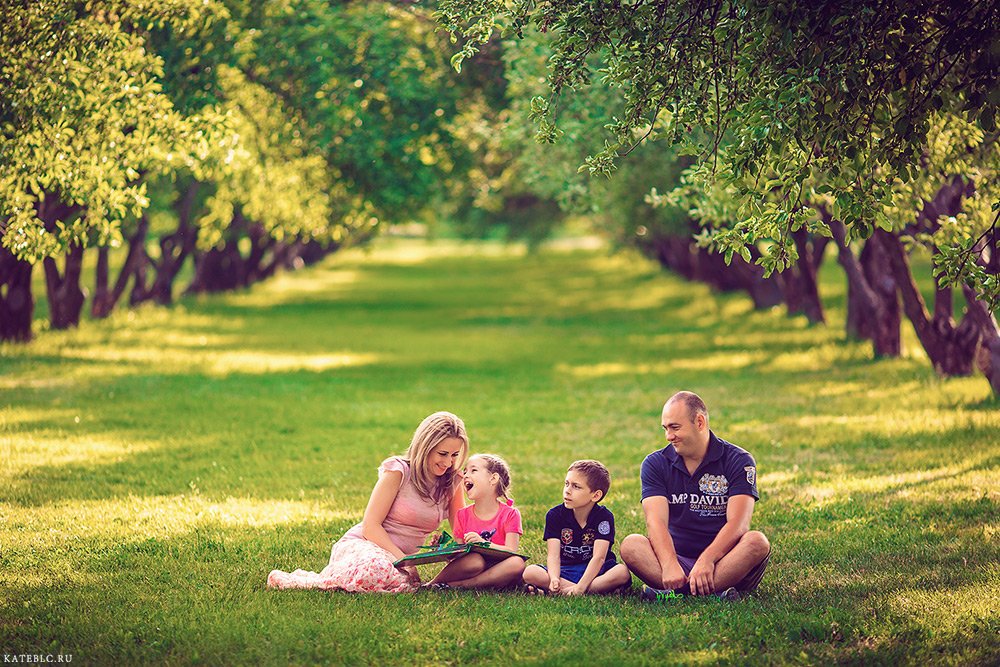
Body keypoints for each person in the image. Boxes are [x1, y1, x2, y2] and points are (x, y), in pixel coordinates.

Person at [266, 411, 468, 593]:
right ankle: (310, 582)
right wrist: (405, 561)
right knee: (376, 569)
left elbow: (462, 532)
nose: (448, 462)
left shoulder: (451, 482)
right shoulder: (398, 472)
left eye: (455, 455)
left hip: (396, 560)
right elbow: (371, 527)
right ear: (425, 447)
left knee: (390, 576)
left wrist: (447, 549)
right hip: (365, 545)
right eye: (442, 454)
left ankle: (391, 578)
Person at [621, 391, 771, 601]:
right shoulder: (655, 463)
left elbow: (739, 523)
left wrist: (708, 560)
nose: (668, 436)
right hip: (677, 559)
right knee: (631, 545)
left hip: (724, 561)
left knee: (757, 542)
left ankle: (673, 595)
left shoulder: (739, 460)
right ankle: (713, 594)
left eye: (675, 427)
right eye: (665, 428)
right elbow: (655, 521)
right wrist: (669, 564)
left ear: (699, 422)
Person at [522, 459, 631, 595]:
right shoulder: (555, 515)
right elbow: (553, 556)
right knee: (530, 572)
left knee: (622, 572)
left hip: (597, 570)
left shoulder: (604, 517)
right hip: (566, 569)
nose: (567, 491)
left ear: (595, 495)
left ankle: (562, 592)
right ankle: (591, 590)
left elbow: (599, 558)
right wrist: (555, 578)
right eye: (566, 484)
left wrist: (580, 587)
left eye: (576, 486)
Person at [426, 453, 526, 590]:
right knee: (474, 561)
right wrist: (443, 548)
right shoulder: (462, 515)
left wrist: (483, 544)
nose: (466, 475)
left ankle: (461, 585)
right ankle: (430, 584)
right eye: (465, 471)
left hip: (499, 568)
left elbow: (512, 551)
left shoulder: (510, 514)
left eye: (473, 470)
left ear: (493, 478)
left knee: (517, 563)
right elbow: (457, 558)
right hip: (474, 566)